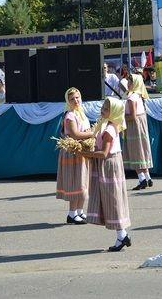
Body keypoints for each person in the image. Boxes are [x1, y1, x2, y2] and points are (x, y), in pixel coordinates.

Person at [79, 97, 132, 252]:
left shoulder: (109, 129)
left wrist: (84, 153)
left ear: (114, 112)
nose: (103, 110)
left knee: (113, 199)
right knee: (110, 199)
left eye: (106, 109)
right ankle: (122, 235)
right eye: (103, 107)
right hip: (106, 164)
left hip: (109, 164)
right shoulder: (105, 124)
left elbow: (103, 153)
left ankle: (122, 236)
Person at [57, 87, 94, 224]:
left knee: (83, 181)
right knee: (75, 182)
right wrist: (93, 134)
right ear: (68, 101)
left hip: (82, 151)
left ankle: (80, 211)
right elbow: (75, 134)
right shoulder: (70, 115)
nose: (76, 101)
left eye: (77, 97)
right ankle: (71, 214)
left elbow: (86, 129)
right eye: (72, 99)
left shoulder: (81, 113)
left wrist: (90, 134)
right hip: (73, 152)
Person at [123, 73, 153, 190]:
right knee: (141, 150)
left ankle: (142, 179)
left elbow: (133, 116)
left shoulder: (132, 98)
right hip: (140, 125)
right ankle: (148, 177)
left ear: (135, 84)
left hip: (134, 126)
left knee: (135, 151)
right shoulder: (138, 96)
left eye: (130, 82)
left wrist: (121, 118)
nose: (127, 84)